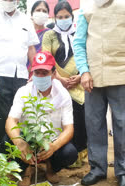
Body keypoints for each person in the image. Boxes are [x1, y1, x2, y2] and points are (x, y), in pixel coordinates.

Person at [73, 0, 125, 186]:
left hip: (123, 74)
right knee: (94, 123)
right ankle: (98, 168)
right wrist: (83, 71)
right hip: (93, 75)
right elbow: (79, 41)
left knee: (124, 124)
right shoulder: (87, 6)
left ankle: (123, 172)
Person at [5, 51, 78, 186]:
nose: (40, 76)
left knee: (70, 153)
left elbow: (69, 129)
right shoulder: (24, 92)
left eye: (44, 73)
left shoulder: (63, 95)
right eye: (37, 72)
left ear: (54, 73)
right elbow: (11, 121)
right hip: (28, 140)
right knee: (6, 143)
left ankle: (50, 167)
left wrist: (54, 146)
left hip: (51, 142)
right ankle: (27, 171)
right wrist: (20, 143)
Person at [41, 1, 87, 167]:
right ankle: (60, 156)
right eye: (59, 17)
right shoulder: (49, 35)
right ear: (55, 17)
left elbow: (89, 54)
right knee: (60, 119)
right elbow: (46, 58)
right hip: (57, 83)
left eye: (66, 16)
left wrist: (81, 76)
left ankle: (80, 155)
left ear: (71, 16)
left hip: (81, 84)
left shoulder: (81, 33)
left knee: (80, 119)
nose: (63, 19)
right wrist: (60, 79)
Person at [0, 0, 39, 146]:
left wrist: (35, 72)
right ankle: (1, 157)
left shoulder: (25, 20)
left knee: (19, 117)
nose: (9, 2)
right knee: (0, 118)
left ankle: (17, 158)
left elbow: (31, 49)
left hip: (21, 77)